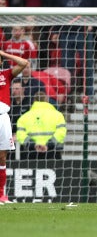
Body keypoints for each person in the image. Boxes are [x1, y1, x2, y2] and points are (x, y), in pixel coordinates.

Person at [59, 0, 97, 101]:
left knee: (87, 64)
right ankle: (68, 93)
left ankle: (89, 93)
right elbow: (58, 14)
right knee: (67, 65)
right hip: (67, 34)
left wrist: (92, 23)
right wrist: (56, 31)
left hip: (83, 34)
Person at [0, 50, 29, 204]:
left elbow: (24, 63)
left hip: (3, 118)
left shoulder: (6, 74)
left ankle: (1, 195)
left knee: (2, 157)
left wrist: (4, 54)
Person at [16, 91, 67, 159]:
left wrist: (33, 145)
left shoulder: (24, 117)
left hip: (31, 153)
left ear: (34, 101)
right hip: (53, 153)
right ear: (47, 100)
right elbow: (61, 133)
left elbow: (20, 135)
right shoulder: (58, 115)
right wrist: (49, 145)